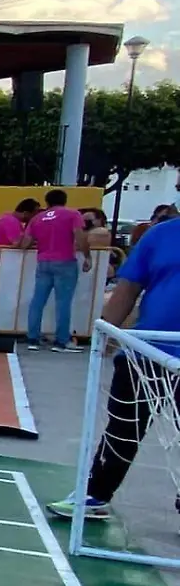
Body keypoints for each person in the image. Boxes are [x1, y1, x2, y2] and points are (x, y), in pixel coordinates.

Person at [49, 215, 180, 521]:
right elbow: (127, 289)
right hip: (147, 352)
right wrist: (104, 336)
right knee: (122, 429)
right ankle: (95, 494)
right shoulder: (161, 235)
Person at [19, 188, 90, 352]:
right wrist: (87, 256)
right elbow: (80, 236)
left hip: (43, 261)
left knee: (38, 301)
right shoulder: (73, 215)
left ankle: (33, 338)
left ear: (47, 202)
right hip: (65, 260)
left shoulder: (37, 218)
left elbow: (25, 244)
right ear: (64, 200)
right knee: (63, 302)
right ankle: (61, 341)